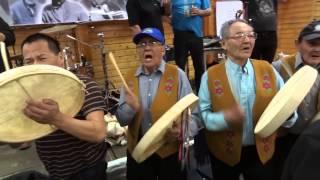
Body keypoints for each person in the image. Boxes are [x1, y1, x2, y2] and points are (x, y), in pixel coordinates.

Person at [198, 19, 296, 180]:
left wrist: (289, 114)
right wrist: (225, 118)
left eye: (251, 35)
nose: (247, 40)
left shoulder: (267, 69)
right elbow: (203, 116)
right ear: (223, 43)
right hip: (224, 153)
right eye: (239, 35)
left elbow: (286, 105)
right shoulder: (210, 75)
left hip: (262, 151)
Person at [115, 27, 199, 180]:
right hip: (138, 152)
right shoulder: (129, 78)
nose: (146, 47)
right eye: (141, 44)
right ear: (137, 51)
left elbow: (194, 114)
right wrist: (130, 108)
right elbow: (121, 120)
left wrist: (181, 132)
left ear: (162, 49)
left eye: (152, 43)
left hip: (170, 153)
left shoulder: (177, 75)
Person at [21, 33, 107, 180]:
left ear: (60, 58)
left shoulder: (83, 84)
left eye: (41, 58)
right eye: (29, 61)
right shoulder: (28, 94)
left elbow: (98, 133)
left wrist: (56, 118)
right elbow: (23, 142)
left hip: (88, 171)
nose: (35, 66)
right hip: (55, 172)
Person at [272, 19, 320, 178]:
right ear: (297, 44)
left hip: (316, 143)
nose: (317, 49)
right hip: (284, 139)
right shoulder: (278, 68)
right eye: (312, 43)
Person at [171, 0, 211, 93]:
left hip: (196, 34)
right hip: (179, 34)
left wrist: (199, 12)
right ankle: (181, 95)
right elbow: (167, 13)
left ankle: (201, 94)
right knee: (179, 67)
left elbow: (209, 10)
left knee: (199, 66)